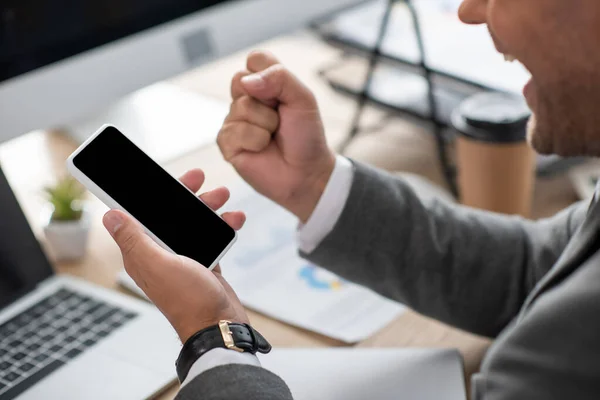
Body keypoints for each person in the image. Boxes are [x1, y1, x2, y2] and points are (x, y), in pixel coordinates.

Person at [101, 0, 600, 399]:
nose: (469, 10)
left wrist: (212, 339)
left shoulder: (563, 356)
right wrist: (316, 185)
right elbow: (539, 268)